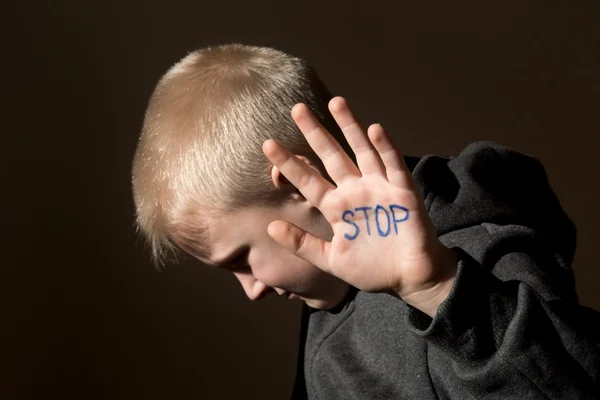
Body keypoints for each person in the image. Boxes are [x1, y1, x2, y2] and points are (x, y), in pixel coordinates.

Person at [131, 44, 600, 399]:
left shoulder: (474, 248)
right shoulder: (330, 288)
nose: (251, 289)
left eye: (242, 260)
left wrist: (438, 288)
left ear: (300, 179)